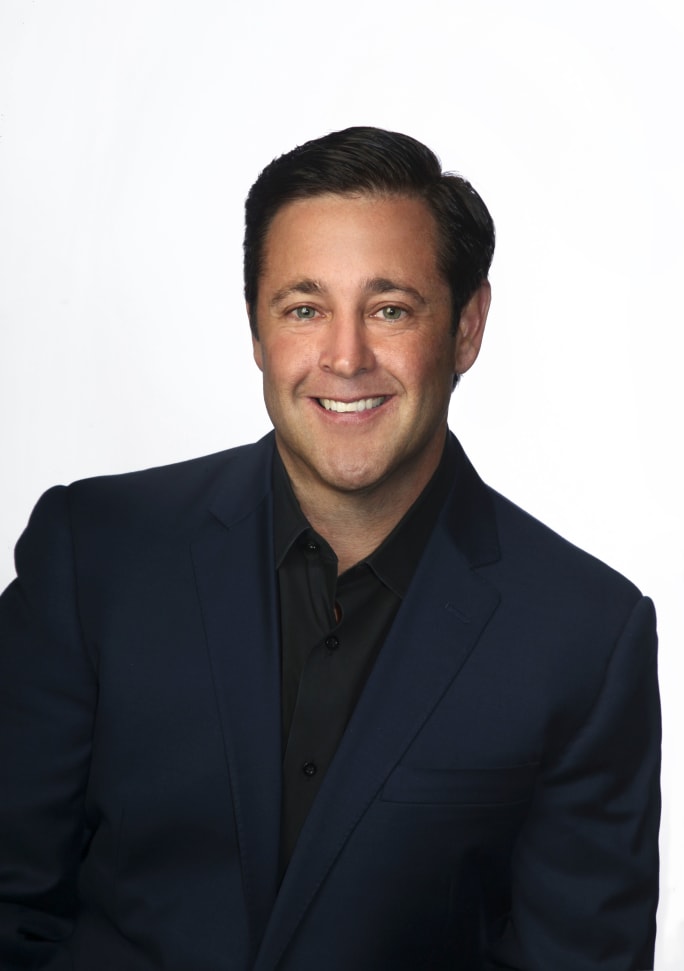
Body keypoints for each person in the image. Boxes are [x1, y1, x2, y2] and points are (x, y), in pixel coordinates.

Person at [0, 126, 660, 970]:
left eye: (390, 309)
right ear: (257, 330)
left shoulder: (584, 638)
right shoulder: (93, 555)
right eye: (305, 309)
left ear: (466, 328)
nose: (346, 358)